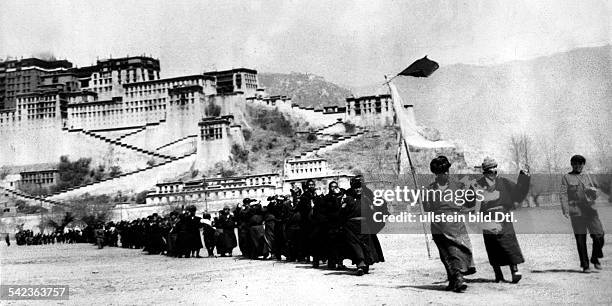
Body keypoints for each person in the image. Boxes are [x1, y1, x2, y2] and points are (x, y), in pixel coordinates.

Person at [423, 156, 476, 292]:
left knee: (455, 251)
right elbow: (428, 208)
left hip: (454, 224)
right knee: (444, 254)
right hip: (437, 225)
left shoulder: (458, 186)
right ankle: (453, 280)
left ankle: (458, 279)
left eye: (447, 170)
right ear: (436, 173)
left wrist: (471, 191)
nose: (445, 174)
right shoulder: (429, 189)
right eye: (442, 172)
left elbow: (470, 202)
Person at [473, 157, 530, 283]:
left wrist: (524, 178)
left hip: (503, 216)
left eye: (494, 171)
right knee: (492, 246)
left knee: (509, 243)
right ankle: (498, 274)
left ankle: (514, 270)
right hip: (486, 218)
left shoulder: (504, 182)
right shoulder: (478, 185)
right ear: (484, 172)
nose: (492, 174)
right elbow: (472, 202)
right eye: (488, 171)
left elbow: (518, 192)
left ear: (496, 171)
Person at [560, 154, 604, 273]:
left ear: (583, 165)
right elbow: (563, 194)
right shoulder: (566, 177)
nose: (578, 166)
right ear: (572, 165)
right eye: (575, 164)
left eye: (580, 164)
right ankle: (585, 265)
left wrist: (594, 192)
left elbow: (598, 190)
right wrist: (565, 209)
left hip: (590, 210)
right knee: (580, 239)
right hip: (576, 211)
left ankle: (595, 258)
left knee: (599, 235)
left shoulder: (589, 176)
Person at [341, 176, 386, 275]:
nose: (358, 189)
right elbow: (342, 212)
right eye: (356, 187)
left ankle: (366, 264)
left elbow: (376, 208)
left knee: (366, 246)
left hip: (365, 225)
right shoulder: (348, 197)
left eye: (360, 186)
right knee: (355, 245)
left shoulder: (367, 196)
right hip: (351, 226)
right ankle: (360, 264)